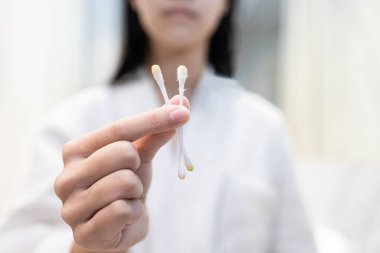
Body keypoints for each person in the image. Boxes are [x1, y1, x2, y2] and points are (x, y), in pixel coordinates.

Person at [0, 0, 316, 252]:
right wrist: (90, 249)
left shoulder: (265, 128)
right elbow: (19, 243)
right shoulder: (72, 123)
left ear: (226, 4)